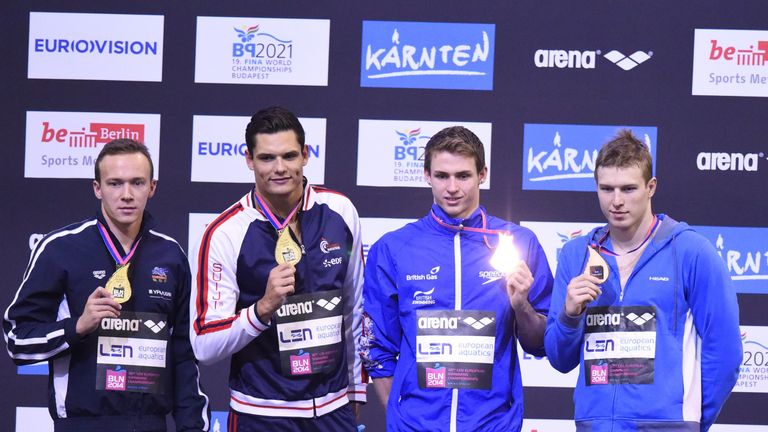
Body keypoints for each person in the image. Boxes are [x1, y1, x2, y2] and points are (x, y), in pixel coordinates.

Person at [3, 139, 210, 432]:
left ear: (152, 187)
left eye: (137, 183)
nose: (126, 195)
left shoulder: (171, 255)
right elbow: (17, 340)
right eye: (115, 183)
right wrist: (78, 326)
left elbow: (184, 357)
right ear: (97, 188)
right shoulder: (60, 248)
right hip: (82, 423)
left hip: (151, 424)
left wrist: (192, 427)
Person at [544, 130, 742, 431]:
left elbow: (725, 352)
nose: (617, 201)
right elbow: (559, 359)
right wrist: (570, 316)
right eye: (606, 189)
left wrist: (688, 421)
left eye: (628, 188)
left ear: (651, 187)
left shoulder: (691, 252)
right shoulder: (576, 255)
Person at [360, 126, 553, 431]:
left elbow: (542, 343)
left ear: (482, 174)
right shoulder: (393, 248)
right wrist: (401, 418)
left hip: (494, 424)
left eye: (463, 175)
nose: (452, 187)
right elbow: (377, 348)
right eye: (442, 176)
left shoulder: (519, 243)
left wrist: (522, 307)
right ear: (426, 175)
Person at [191, 106, 366, 431]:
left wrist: (355, 388)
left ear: (305, 155)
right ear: (249, 159)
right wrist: (262, 308)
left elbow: (354, 306)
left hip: (333, 410)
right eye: (267, 158)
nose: (280, 168)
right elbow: (204, 344)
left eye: (289, 156)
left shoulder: (340, 211)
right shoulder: (225, 232)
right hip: (261, 414)